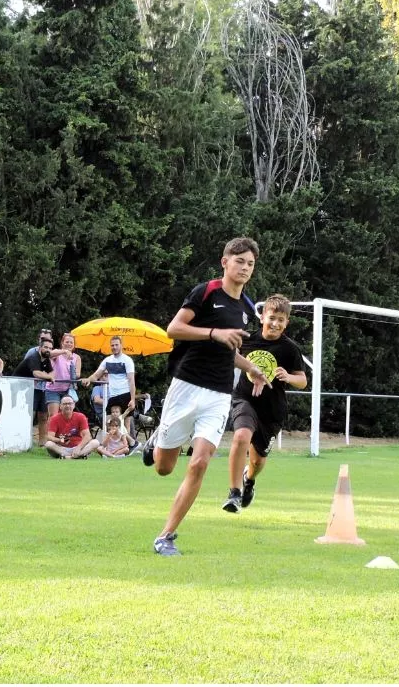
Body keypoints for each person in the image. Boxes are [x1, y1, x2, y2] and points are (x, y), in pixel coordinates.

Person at [143, 236, 269, 556]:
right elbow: (173, 329)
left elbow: (229, 351)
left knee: (199, 463)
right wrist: (213, 333)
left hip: (219, 394)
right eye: (239, 261)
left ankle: (166, 536)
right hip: (186, 386)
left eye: (250, 264)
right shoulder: (206, 292)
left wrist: (251, 368)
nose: (245, 268)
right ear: (225, 262)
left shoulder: (247, 309)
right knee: (163, 468)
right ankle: (156, 441)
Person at [222, 293, 307, 513]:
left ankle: (249, 480)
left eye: (281, 320)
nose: (275, 323)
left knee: (258, 462)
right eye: (272, 318)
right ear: (262, 317)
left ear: (286, 323)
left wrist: (289, 377)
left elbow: (303, 381)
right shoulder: (247, 339)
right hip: (245, 399)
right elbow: (230, 357)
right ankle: (234, 493)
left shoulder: (289, 349)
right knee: (241, 436)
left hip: (271, 411)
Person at [82, 336, 137, 433]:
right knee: (108, 423)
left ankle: (126, 442)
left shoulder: (127, 360)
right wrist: (88, 379)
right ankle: (113, 441)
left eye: (116, 345)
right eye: (112, 345)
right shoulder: (107, 360)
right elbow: (96, 375)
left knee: (126, 424)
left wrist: (132, 399)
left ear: (121, 345)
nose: (114, 347)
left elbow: (131, 380)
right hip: (113, 395)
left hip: (125, 394)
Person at [14, 330, 55, 437]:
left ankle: (42, 443)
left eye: (50, 348)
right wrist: (48, 377)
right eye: (46, 347)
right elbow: (36, 373)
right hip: (20, 389)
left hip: (40, 389)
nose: (48, 350)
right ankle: (23, 439)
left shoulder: (46, 359)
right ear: (40, 347)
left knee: (43, 416)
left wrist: (49, 376)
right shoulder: (33, 356)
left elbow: (52, 372)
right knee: (29, 415)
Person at [47, 333, 82, 419]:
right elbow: (49, 354)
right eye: (67, 342)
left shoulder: (77, 357)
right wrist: (64, 351)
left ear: (74, 345)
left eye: (71, 342)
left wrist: (72, 372)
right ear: (62, 343)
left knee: (67, 415)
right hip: (53, 389)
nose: (69, 344)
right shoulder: (57, 353)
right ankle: (51, 428)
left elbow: (78, 374)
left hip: (68, 390)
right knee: (53, 416)